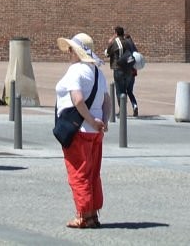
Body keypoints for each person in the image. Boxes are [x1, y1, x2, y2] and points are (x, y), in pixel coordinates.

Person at [54, 33, 109, 230]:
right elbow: (107, 100)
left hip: (78, 130)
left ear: (77, 52)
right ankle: (93, 214)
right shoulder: (97, 72)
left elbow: (77, 100)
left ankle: (83, 216)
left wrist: (91, 120)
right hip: (95, 132)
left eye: (71, 49)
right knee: (93, 173)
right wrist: (102, 121)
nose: (69, 53)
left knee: (78, 173)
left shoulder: (75, 71)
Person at [105, 26, 140, 118]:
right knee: (127, 90)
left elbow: (108, 53)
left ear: (116, 33)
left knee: (119, 91)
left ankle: (122, 111)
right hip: (128, 69)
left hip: (118, 68)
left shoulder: (114, 42)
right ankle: (131, 107)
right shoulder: (127, 42)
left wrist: (111, 41)